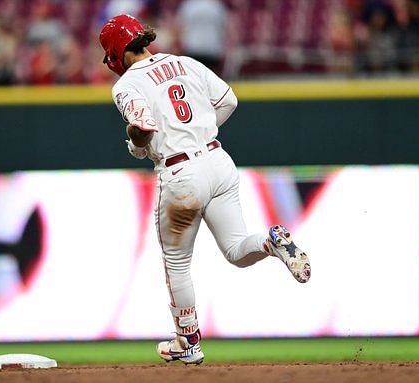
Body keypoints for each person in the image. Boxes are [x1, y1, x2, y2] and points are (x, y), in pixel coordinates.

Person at [99, 15, 311, 365]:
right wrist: (200, 131)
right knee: (236, 250)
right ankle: (271, 241)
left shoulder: (126, 86)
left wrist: (138, 142)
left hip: (181, 173)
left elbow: (143, 129)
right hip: (218, 161)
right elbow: (229, 102)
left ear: (117, 53)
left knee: (177, 263)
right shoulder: (184, 62)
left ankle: (189, 344)